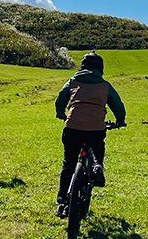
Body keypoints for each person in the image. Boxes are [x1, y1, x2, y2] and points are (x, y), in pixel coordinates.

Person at [54, 51, 126, 218]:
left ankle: (62, 202)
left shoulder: (73, 81)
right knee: (98, 145)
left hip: (72, 128)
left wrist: (61, 114)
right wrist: (120, 121)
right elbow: (118, 106)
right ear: (101, 68)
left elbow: (60, 100)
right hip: (96, 129)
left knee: (68, 164)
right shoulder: (105, 85)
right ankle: (98, 166)